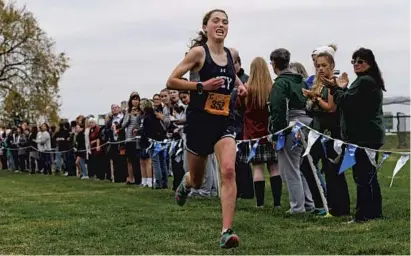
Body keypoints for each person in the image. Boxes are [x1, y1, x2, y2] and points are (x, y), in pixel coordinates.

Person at [166, 9, 247, 249]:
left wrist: (241, 86)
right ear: (206, 27)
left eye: (225, 22)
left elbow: (232, 75)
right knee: (199, 180)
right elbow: (171, 81)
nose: (221, 25)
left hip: (224, 120)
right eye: (216, 21)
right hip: (200, 121)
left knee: (229, 170)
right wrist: (202, 85)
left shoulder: (231, 54)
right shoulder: (198, 53)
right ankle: (187, 182)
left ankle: (226, 231)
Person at [322, 47, 385, 223]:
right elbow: (351, 99)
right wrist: (342, 88)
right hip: (369, 134)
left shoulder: (365, 81)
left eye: (360, 61)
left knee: (363, 176)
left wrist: (335, 88)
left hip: (363, 136)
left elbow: (346, 102)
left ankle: (363, 215)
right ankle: (374, 212)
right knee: (370, 175)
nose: (356, 64)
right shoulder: (368, 81)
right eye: (354, 61)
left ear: (369, 63)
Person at [301, 52, 350, 217]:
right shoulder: (317, 82)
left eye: (324, 65)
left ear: (332, 66)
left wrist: (314, 98)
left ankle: (339, 208)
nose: (320, 68)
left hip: (330, 132)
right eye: (318, 65)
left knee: (333, 169)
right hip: (317, 130)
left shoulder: (333, 83)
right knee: (307, 164)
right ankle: (323, 202)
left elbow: (331, 107)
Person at [268, 48, 315, 214]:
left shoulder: (281, 83)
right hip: (306, 123)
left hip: (291, 126)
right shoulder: (300, 81)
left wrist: (277, 132)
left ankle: (297, 207)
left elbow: (278, 109)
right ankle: (308, 203)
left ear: (274, 63)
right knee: (298, 167)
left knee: (289, 168)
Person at [236, 57, 282, 208]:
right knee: (274, 167)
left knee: (257, 168)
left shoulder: (246, 89)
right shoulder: (272, 88)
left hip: (252, 135)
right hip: (269, 133)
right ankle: (276, 203)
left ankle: (260, 204)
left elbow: (239, 107)